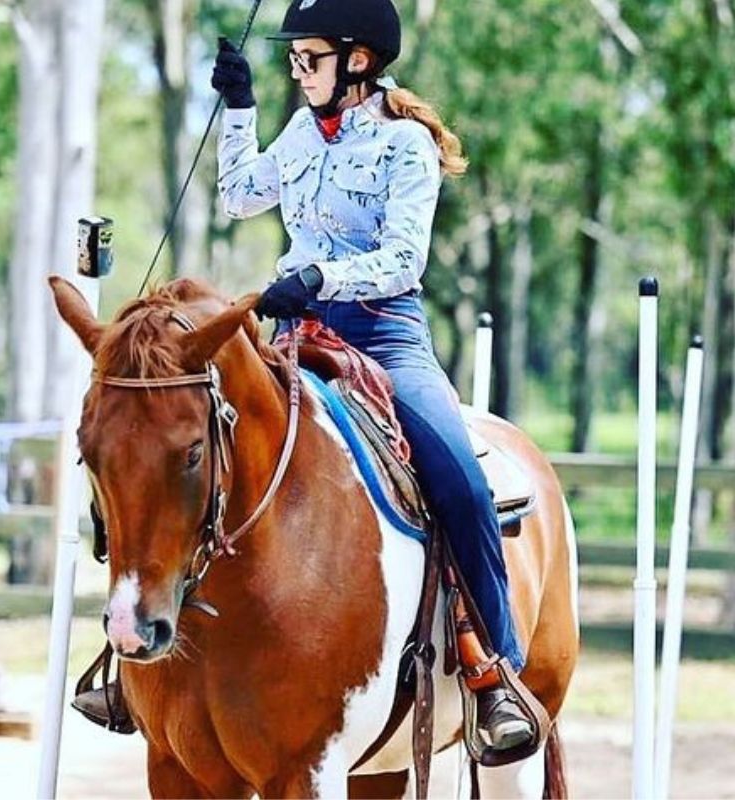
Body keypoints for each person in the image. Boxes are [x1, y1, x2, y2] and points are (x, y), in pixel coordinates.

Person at [212, 0, 533, 750]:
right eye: (292, 60)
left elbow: (401, 260)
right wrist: (239, 108)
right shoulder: (297, 131)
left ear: (358, 61)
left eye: (309, 59)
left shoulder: (405, 146)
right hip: (291, 334)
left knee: (456, 477)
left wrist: (319, 276)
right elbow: (237, 198)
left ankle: (498, 673)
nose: (297, 71)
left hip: (383, 338)